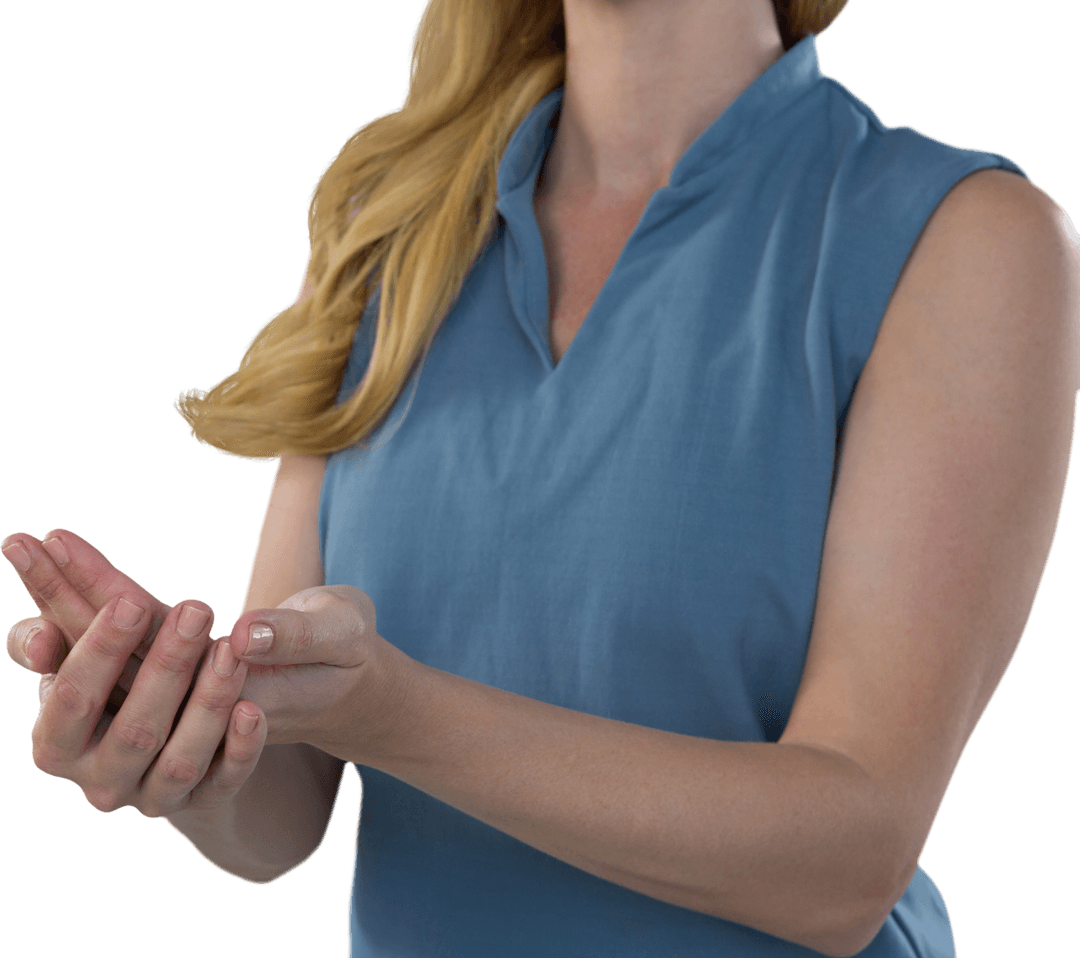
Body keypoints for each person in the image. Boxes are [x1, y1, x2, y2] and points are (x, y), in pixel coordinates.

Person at [5, 1, 1079, 956]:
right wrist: (172, 729)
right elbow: (280, 812)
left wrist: (400, 712)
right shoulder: (393, 231)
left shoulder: (961, 239)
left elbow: (848, 863)